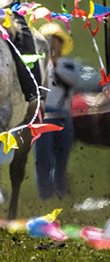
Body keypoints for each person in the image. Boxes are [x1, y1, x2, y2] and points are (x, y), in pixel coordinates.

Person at [34, 21, 83, 199]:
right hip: (44, 118)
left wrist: (56, 64)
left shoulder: (68, 64)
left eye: (55, 40)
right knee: (43, 160)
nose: (52, 44)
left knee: (61, 160)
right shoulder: (37, 64)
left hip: (64, 116)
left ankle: (60, 193)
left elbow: (74, 80)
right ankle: (45, 196)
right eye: (48, 40)